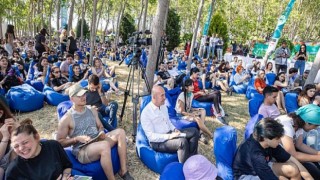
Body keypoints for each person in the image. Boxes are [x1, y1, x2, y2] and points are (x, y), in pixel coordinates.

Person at [56, 84, 133, 180]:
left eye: (84, 94)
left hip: (97, 140)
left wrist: (101, 132)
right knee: (104, 146)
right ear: (72, 99)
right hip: (83, 149)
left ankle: (123, 171)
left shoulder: (92, 110)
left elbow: (100, 126)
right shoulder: (67, 119)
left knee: (120, 132)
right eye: (79, 96)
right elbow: (59, 142)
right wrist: (76, 139)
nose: (83, 97)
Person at [233, 118, 312, 180]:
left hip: (263, 166)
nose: (280, 141)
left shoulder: (270, 143)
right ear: (266, 138)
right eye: (278, 139)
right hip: (247, 175)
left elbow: (292, 159)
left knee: (293, 169)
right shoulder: (255, 154)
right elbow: (268, 177)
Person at [141, 85, 200, 163]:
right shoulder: (146, 113)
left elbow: (168, 121)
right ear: (154, 97)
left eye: (164, 94)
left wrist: (174, 129)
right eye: (162, 95)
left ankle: (191, 159)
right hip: (158, 142)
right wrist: (169, 136)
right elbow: (151, 137)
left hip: (170, 133)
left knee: (194, 131)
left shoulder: (163, 106)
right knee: (182, 142)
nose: (165, 97)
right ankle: (184, 168)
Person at [6, 119, 73, 180]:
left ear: (37, 137)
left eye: (25, 142)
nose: (21, 148)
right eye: (16, 146)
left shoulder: (53, 146)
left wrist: (65, 176)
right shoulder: (14, 169)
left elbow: (67, 166)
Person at [276, 104, 320, 178]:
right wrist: (318, 158)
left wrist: (318, 153)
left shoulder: (299, 123)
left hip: (286, 154)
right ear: (307, 122)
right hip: (275, 158)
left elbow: (299, 145)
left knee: (315, 166)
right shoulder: (286, 125)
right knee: (314, 170)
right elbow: (292, 154)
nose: (315, 129)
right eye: (315, 125)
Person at [175, 79, 212, 144]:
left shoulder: (191, 94)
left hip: (187, 111)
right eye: (191, 85)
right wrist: (192, 115)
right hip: (180, 115)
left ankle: (200, 132)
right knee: (197, 118)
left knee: (203, 110)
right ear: (186, 87)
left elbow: (188, 107)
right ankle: (211, 135)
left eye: (193, 85)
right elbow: (182, 112)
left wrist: (195, 110)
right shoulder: (182, 96)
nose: (193, 87)